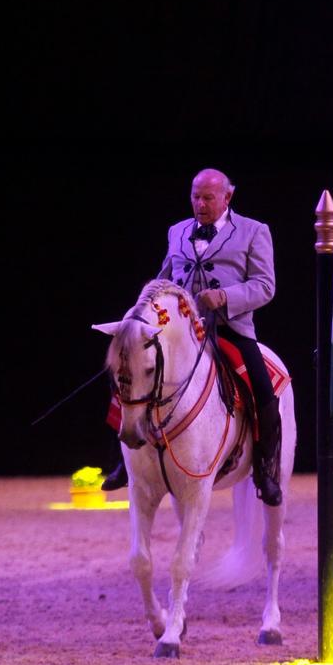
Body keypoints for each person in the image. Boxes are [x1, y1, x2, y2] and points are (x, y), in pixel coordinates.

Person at [101, 168, 282, 506]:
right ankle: (122, 459)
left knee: (261, 385)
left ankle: (265, 468)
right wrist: (142, 309)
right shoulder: (178, 231)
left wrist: (226, 296)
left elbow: (265, 285)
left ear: (227, 198)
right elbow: (163, 277)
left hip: (229, 328)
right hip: (179, 331)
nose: (200, 203)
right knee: (128, 369)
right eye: (195, 197)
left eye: (208, 197)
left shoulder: (255, 231)